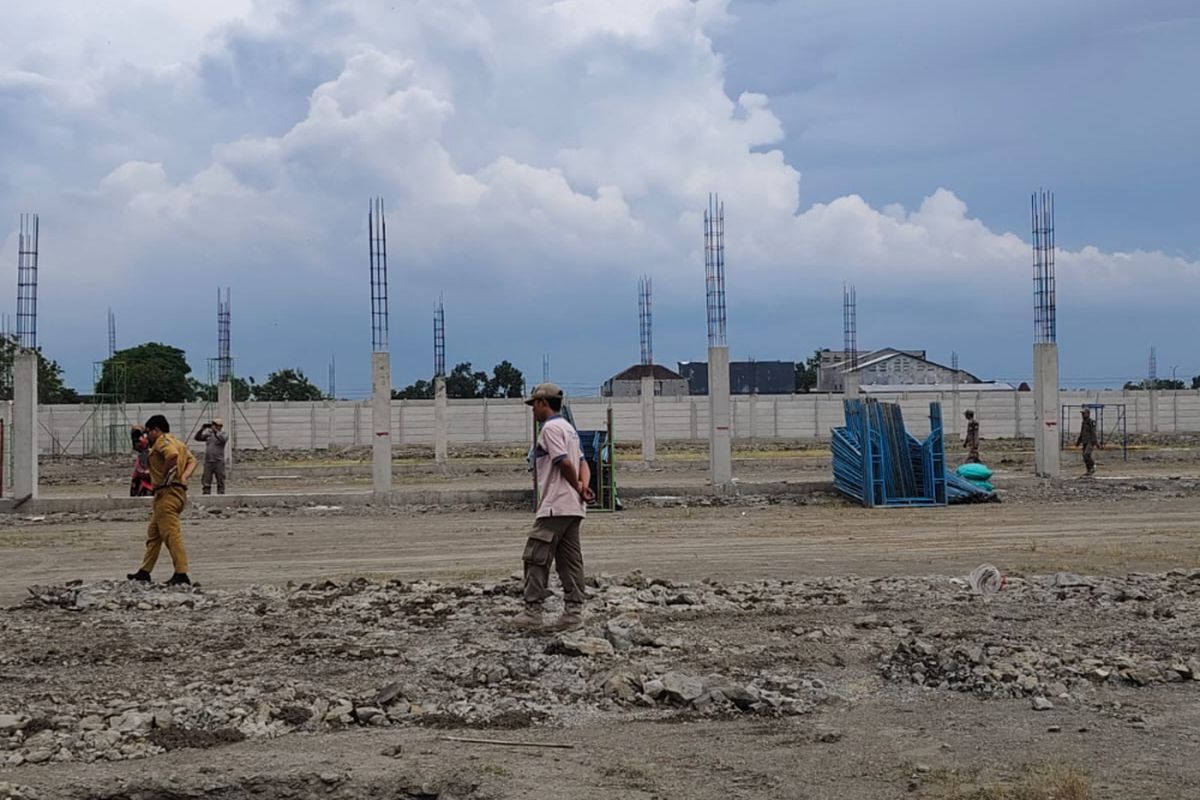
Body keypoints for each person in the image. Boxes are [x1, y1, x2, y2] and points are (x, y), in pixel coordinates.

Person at [512, 383, 595, 630]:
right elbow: (583, 463)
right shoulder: (569, 429)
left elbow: (563, 462)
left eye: (533, 405)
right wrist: (582, 487)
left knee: (536, 556)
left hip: (554, 505)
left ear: (542, 403)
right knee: (570, 560)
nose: (532, 411)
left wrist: (577, 486)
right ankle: (573, 613)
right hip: (573, 508)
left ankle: (532, 612)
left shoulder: (549, 429)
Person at [127, 414, 198, 586]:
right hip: (173, 493)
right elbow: (192, 461)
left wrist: (166, 476)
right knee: (154, 535)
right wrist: (184, 477)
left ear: (156, 430)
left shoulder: (163, 442)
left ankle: (181, 574)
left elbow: (171, 456)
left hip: (167, 494)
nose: (148, 435)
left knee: (171, 535)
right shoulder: (178, 442)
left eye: (149, 431)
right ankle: (144, 571)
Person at [194, 418, 228, 495]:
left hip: (218, 461)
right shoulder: (209, 434)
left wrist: (215, 431)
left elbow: (223, 439)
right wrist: (201, 430)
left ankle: (221, 496)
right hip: (208, 461)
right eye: (213, 424)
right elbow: (197, 438)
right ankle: (206, 495)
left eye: (216, 425)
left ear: (220, 426)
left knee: (220, 480)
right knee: (206, 481)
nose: (214, 426)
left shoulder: (223, 434)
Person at [130, 425, 152, 497]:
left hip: (149, 456)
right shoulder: (138, 439)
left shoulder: (150, 438)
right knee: (135, 477)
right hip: (143, 456)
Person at [1076, 407, 1100, 476]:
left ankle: (1093, 465)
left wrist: (1095, 442)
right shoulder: (1083, 422)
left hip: (1090, 441)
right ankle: (1089, 470)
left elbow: (1093, 432)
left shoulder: (1091, 422)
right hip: (1084, 441)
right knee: (1084, 456)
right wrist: (1078, 441)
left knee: (1086, 454)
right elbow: (1082, 433)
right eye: (1082, 414)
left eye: (1084, 414)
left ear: (1088, 414)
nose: (1083, 415)